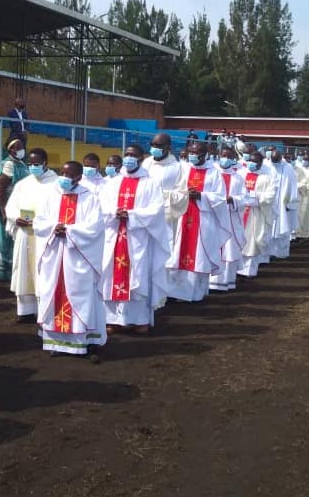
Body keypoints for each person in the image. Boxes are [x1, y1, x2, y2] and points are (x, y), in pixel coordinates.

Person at [34, 161, 107, 358]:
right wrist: (52, 228)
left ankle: (83, 342)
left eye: (69, 175)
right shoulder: (51, 195)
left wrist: (69, 230)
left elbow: (95, 227)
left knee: (79, 295)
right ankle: (57, 342)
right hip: (55, 255)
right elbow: (39, 221)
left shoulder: (89, 198)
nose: (64, 178)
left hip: (78, 257)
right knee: (53, 293)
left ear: (78, 177)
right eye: (62, 173)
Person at [98, 144, 168, 333]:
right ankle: (112, 319)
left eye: (133, 155)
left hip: (138, 237)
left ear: (141, 157)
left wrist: (132, 215)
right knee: (111, 275)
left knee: (138, 274)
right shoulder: (113, 182)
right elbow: (101, 206)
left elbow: (156, 209)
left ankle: (140, 320)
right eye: (126, 154)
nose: (129, 158)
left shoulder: (150, 183)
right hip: (114, 235)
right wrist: (114, 212)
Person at [165, 141, 230, 302]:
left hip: (203, 219)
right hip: (181, 216)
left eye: (197, 153)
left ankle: (196, 293)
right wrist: (184, 194)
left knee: (199, 256)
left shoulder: (214, 173)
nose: (193, 156)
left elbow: (220, 197)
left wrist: (201, 196)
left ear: (205, 154)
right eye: (191, 152)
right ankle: (175, 292)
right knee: (178, 251)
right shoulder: (183, 169)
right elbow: (174, 190)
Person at [4, 147, 58, 320]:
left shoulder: (56, 184)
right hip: (25, 234)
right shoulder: (23, 184)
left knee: (42, 270)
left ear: (45, 163)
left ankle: (43, 310)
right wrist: (15, 218)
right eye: (30, 164)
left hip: (43, 236)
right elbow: (11, 206)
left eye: (37, 164)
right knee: (23, 270)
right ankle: (25, 310)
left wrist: (41, 223)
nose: (33, 166)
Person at [0, 138, 29, 281]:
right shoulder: (8, 164)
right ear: (10, 150)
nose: (20, 149)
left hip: (18, 205)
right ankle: (1, 272)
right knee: (4, 238)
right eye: (17, 147)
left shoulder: (21, 164)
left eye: (21, 146)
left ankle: (13, 271)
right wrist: (4, 210)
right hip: (6, 205)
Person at [210, 146, 247, 292]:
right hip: (214, 217)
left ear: (233, 159)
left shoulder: (238, 177)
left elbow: (244, 197)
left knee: (229, 250)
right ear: (219, 155)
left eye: (229, 156)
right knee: (214, 247)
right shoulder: (212, 174)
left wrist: (233, 199)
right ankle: (210, 281)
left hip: (230, 218)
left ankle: (227, 281)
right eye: (223, 155)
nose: (225, 158)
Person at [238, 151, 277, 277]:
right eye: (250, 161)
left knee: (252, 242)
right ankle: (237, 270)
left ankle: (249, 271)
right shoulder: (241, 174)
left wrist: (255, 196)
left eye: (255, 162)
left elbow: (270, 196)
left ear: (261, 163)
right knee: (239, 240)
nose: (251, 164)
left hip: (256, 213)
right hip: (241, 211)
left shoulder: (267, 178)